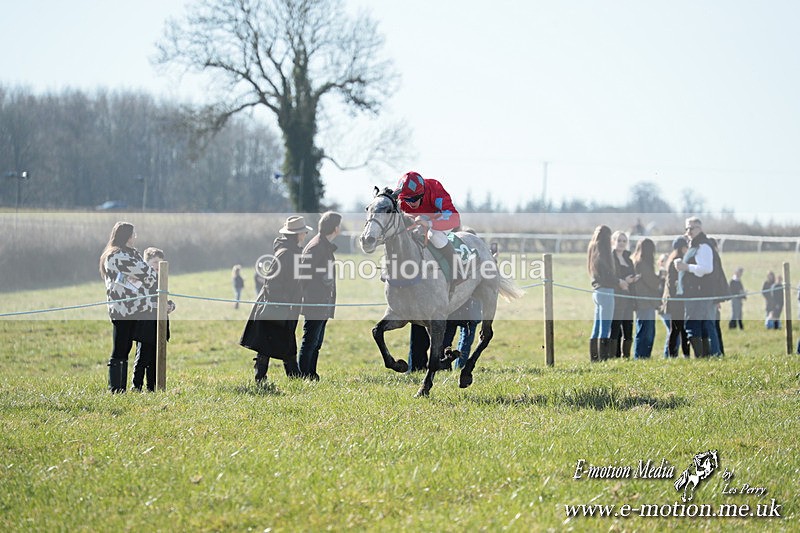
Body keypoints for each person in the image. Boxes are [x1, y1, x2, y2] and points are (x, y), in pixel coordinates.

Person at [240, 215, 310, 382]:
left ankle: (290, 378)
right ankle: (284, 378)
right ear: (297, 234)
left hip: (283, 308)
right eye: (303, 232)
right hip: (277, 308)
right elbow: (271, 282)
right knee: (271, 344)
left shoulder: (291, 252)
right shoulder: (285, 254)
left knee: (278, 343)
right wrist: (286, 302)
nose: (305, 234)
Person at [99, 221, 157, 393]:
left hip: (136, 308)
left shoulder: (131, 254)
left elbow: (149, 276)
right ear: (126, 236)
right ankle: (116, 389)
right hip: (122, 309)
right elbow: (148, 274)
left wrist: (142, 278)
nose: (135, 237)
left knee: (129, 347)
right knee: (121, 348)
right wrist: (143, 278)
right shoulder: (116, 256)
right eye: (133, 234)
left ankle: (123, 388)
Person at [395, 171, 463, 288]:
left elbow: (454, 218)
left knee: (434, 234)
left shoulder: (435, 189)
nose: (411, 203)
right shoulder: (401, 199)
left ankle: (457, 271)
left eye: (415, 198)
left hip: (442, 219)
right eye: (407, 199)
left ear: (422, 193)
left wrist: (429, 223)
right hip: (420, 221)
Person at [298, 211, 342, 381]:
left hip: (323, 302)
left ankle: (311, 373)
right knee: (310, 341)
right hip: (315, 302)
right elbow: (303, 276)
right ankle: (303, 376)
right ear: (336, 228)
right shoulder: (316, 247)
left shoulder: (324, 245)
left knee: (316, 343)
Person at [675, 217, 722, 357]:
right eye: (687, 228)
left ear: (700, 229)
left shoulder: (703, 246)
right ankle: (704, 357)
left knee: (693, 325)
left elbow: (707, 268)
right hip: (694, 292)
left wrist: (686, 267)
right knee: (698, 325)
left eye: (692, 228)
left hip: (699, 292)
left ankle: (702, 357)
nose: (689, 231)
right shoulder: (695, 245)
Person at [131, 248, 176, 392]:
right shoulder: (141, 280)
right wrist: (160, 306)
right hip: (145, 325)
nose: (158, 266)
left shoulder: (161, 280)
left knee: (155, 359)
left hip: (159, 325)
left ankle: (152, 388)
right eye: (155, 262)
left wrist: (170, 305)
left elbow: (165, 299)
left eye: (160, 262)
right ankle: (136, 387)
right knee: (142, 358)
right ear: (146, 263)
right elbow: (141, 302)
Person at [587, 225, 630, 361]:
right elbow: (607, 274)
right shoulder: (604, 251)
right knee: (605, 327)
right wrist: (619, 281)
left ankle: (594, 358)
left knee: (597, 326)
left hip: (597, 291)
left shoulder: (592, 248)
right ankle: (603, 359)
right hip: (606, 291)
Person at [610, 231, 639, 357]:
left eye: (624, 241)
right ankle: (614, 355)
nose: (621, 243)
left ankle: (626, 355)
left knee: (628, 327)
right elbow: (610, 277)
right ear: (613, 241)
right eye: (619, 240)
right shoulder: (610, 258)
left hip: (628, 296)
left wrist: (633, 279)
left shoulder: (628, 258)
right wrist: (623, 281)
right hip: (616, 297)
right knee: (616, 327)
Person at [632, 238, 660, 359]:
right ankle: (641, 356)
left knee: (644, 330)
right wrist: (661, 277)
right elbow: (653, 282)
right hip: (645, 302)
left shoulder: (637, 262)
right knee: (646, 331)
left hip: (644, 302)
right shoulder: (642, 264)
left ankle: (642, 356)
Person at [662, 236, 690, 358]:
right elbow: (671, 282)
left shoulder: (673, 260)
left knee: (680, 330)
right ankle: (675, 355)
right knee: (678, 330)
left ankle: (680, 354)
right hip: (677, 300)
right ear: (683, 248)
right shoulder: (677, 262)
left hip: (677, 300)